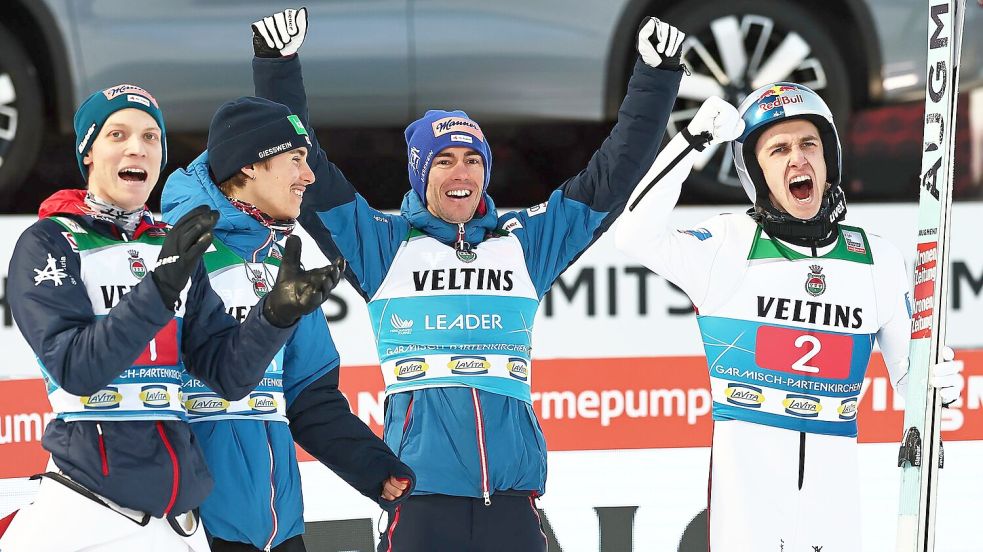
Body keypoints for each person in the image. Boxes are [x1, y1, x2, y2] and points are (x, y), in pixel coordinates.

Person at [250, 10, 685, 551]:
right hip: (421, 501)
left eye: (473, 160)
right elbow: (308, 174)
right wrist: (277, 68)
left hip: (514, 503)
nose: (462, 174)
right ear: (418, 172)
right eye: (444, 161)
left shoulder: (525, 245)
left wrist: (656, 77)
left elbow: (613, 176)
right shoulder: (383, 245)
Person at [614, 86, 965, 550]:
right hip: (749, 502)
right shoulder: (726, 245)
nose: (798, 159)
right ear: (756, 173)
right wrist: (692, 140)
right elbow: (633, 235)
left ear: (829, 161)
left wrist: (937, 387)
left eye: (809, 145)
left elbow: (912, 381)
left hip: (833, 497)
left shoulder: (876, 258)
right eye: (779, 149)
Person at [0, 83, 342, 552]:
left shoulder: (170, 245)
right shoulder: (51, 241)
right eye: (117, 135)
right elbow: (75, 368)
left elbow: (228, 374)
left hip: (175, 517)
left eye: (150, 137)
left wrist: (274, 316)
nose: (137, 147)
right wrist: (159, 289)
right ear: (89, 154)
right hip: (87, 507)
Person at [160, 11, 415, 551]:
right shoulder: (180, 248)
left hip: (278, 527)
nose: (309, 174)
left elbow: (307, 396)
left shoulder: (281, 258)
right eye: (296, 160)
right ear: (249, 168)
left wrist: (373, 469)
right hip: (193, 527)